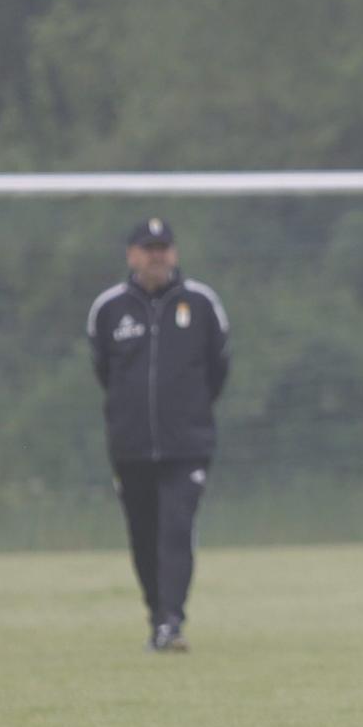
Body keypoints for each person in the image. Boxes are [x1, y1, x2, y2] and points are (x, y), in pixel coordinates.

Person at [85, 216, 231, 653]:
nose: (157, 256)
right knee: (144, 535)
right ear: (132, 255)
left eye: (163, 248)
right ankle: (157, 615)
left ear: (175, 253)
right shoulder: (109, 308)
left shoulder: (201, 304)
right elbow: (104, 372)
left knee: (176, 528)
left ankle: (172, 621)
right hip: (131, 448)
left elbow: (218, 369)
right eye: (148, 249)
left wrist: (189, 412)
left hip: (187, 444)